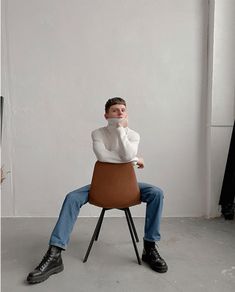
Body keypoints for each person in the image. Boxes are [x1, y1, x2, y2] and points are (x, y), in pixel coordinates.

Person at [26, 97, 168, 284]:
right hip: (101, 187)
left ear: (127, 114)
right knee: (72, 198)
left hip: (127, 187)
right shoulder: (97, 133)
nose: (119, 113)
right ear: (106, 115)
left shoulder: (133, 135)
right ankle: (54, 254)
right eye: (115, 110)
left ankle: (149, 248)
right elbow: (103, 157)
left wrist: (120, 133)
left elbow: (125, 154)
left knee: (156, 193)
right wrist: (134, 159)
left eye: (123, 110)